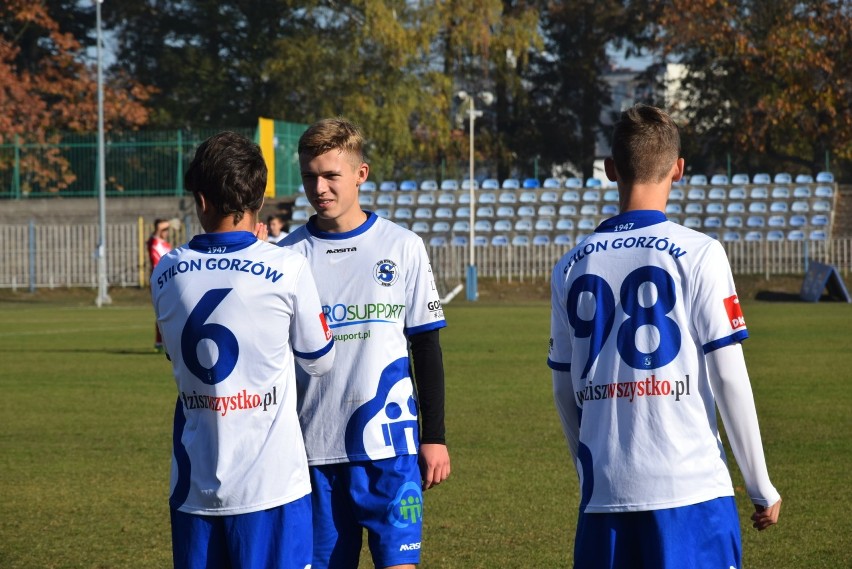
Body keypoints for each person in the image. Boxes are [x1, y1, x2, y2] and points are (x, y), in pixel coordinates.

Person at [547, 104, 781, 569]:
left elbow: (563, 387)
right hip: (689, 491)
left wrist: (588, 472)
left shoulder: (571, 264)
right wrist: (759, 484)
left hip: (605, 497)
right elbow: (729, 376)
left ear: (611, 169)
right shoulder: (700, 253)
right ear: (678, 169)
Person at [151, 131, 335, 569]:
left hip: (195, 487)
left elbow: (174, 356)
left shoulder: (166, 271)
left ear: (201, 199)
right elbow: (320, 360)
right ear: (259, 197)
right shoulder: (287, 266)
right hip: (272, 488)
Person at [280, 118, 450, 569]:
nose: (320, 188)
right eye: (310, 176)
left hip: (390, 453)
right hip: (312, 453)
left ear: (361, 173)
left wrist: (434, 438)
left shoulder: (403, 246)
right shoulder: (286, 257)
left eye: (331, 175)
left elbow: (426, 348)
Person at [147, 218, 172, 350]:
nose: (166, 232)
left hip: (168, 279)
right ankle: (160, 342)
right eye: (164, 229)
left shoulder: (167, 245)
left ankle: (163, 341)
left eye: (167, 230)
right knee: (162, 311)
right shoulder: (153, 242)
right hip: (157, 280)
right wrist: (170, 222)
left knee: (168, 310)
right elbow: (156, 232)